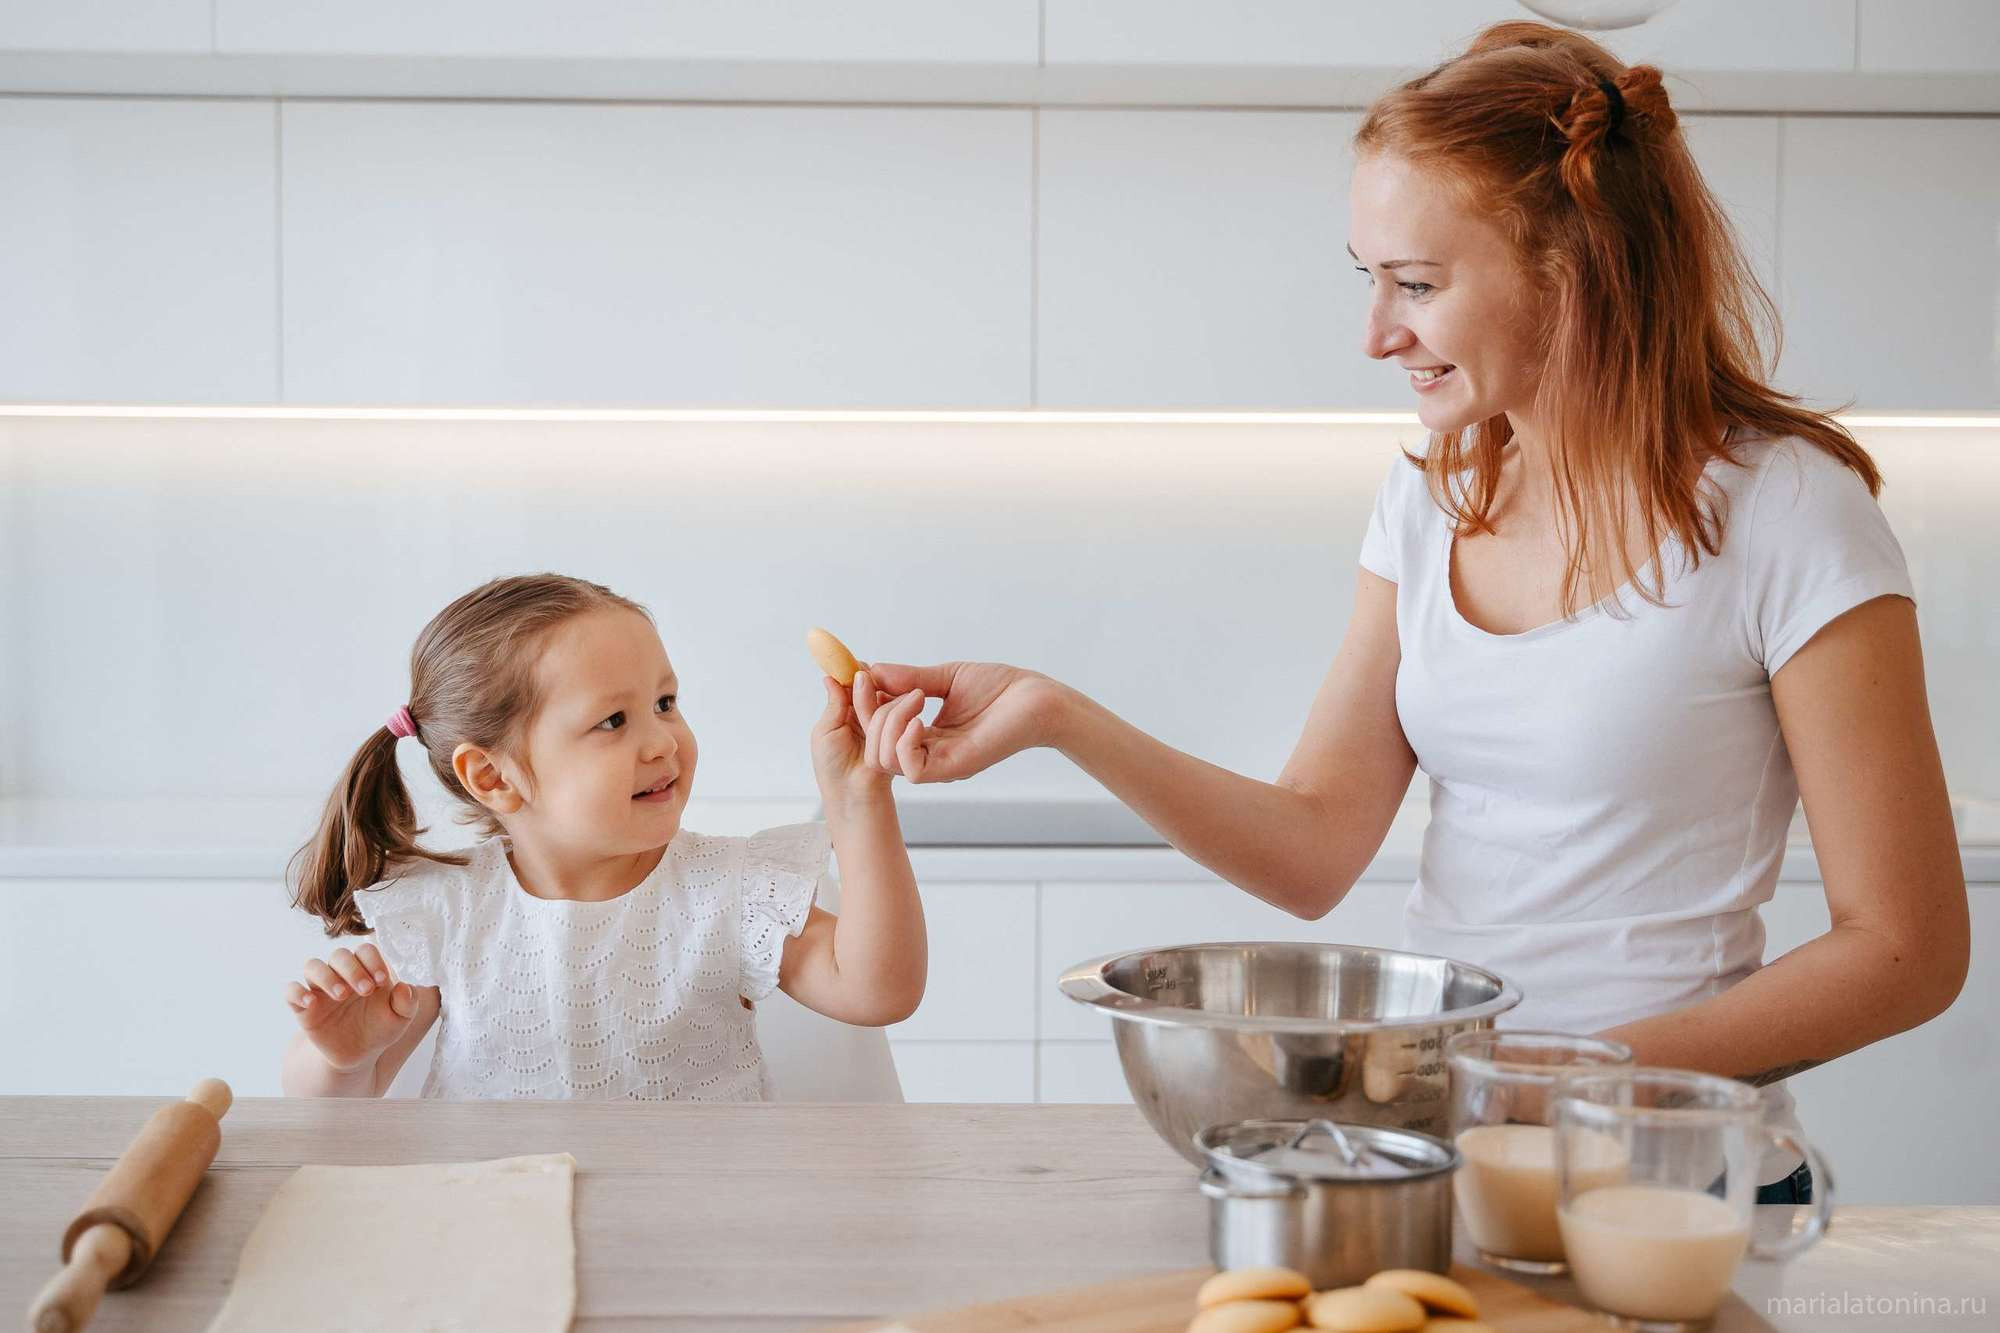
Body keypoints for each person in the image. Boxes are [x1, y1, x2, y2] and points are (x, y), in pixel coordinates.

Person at [846, 22, 1969, 1201]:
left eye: (1416, 285)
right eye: (1368, 278)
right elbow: (1313, 845)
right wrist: (1056, 715)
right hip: (1437, 1161)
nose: (1375, 333)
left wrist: (1563, 1078)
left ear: (1571, 267)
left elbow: (1904, 950)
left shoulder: (1787, 510)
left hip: (1671, 1183)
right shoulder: (1432, 496)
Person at [280, 573, 926, 1100]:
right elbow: (334, 1110)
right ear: (493, 776)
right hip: (500, 1232)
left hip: (699, 1233)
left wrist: (859, 795)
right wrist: (338, 1061)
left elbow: (879, 989)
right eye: (614, 720)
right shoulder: (452, 909)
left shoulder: (728, 889)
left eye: (666, 703)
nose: (662, 740)